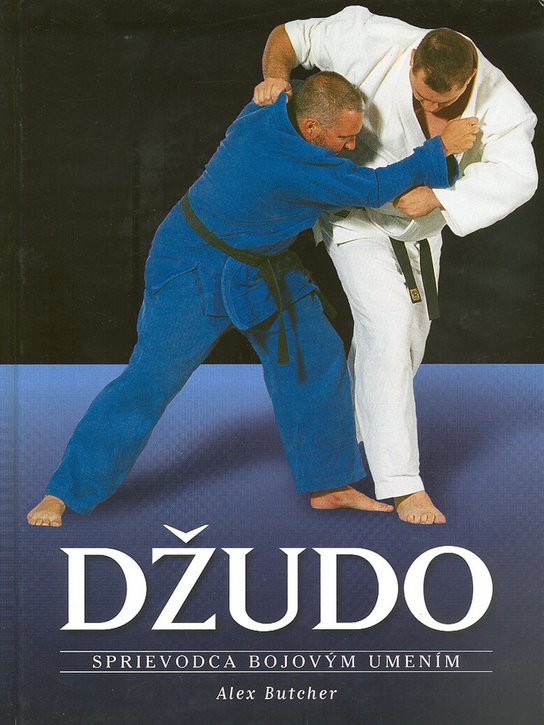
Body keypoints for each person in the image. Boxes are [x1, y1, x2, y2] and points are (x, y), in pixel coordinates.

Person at [27, 71, 477, 526]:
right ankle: (63, 492)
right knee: (149, 380)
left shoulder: (268, 109)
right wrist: (440, 149)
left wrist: (277, 78)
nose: (351, 145)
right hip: (193, 264)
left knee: (316, 355)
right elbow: (375, 189)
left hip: (263, 262)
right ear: (311, 128)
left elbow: (291, 81)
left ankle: (329, 484)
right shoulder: (296, 166)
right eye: (344, 137)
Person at [254, 6, 538, 525]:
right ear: (412, 61)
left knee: (404, 344)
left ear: (469, 80)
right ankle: (403, 485)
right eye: (421, 94)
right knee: (386, 326)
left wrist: (441, 199)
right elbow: (290, 36)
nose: (428, 105)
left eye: (441, 101)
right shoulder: (375, 38)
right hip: (353, 209)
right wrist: (276, 77)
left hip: (420, 226)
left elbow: (518, 177)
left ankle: (336, 445)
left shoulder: (503, 106)